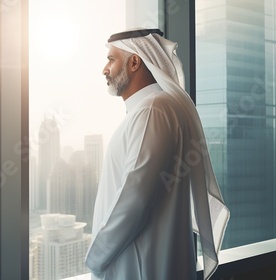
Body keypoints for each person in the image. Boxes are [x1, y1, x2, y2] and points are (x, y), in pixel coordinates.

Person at [85, 28, 230, 280]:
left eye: (111, 59)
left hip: (141, 267)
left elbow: (136, 197)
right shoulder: (155, 108)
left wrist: (96, 259)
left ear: (134, 62)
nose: (104, 69)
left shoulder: (153, 110)